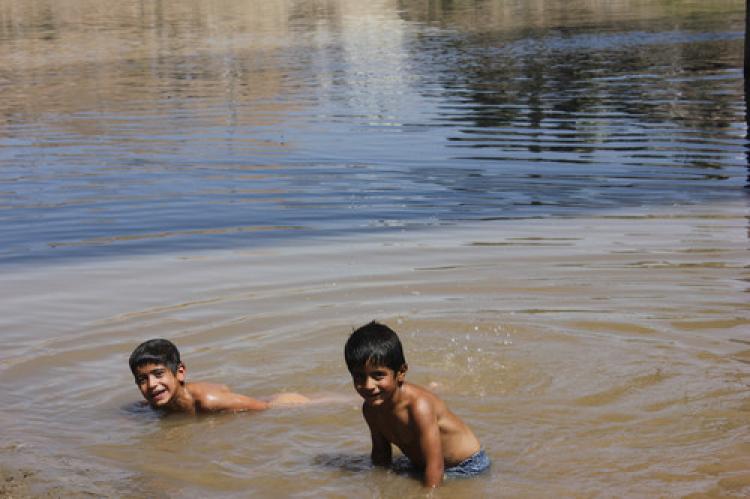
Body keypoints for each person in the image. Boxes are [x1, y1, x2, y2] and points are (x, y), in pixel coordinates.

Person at [344, 321, 490, 488]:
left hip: (466, 467)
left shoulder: (419, 407)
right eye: (359, 377)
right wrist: (378, 485)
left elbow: (435, 466)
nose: (368, 385)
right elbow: (381, 454)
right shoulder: (370, 409)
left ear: (401, 372)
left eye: (378, 375)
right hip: (422, 464)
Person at [129, 338, 309, 415]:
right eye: (142, 380)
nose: (151, 384)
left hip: (275, 402)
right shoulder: (156, 402)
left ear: (180, 372)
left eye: (158, 374)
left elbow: (263, 407)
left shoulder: (209, 402)